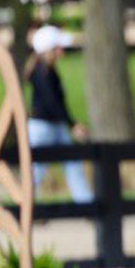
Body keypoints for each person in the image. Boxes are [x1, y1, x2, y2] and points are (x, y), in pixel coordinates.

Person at [26, 24, 93, 204]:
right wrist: (72, 125)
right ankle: (28, 206)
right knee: (37, 169)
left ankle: (85, 203)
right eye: (58, 48)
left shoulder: (49, 71)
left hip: (54, 124)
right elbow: (52, 103)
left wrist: (69, 123)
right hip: (42, 127)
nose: (62, 51)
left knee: (72, 163)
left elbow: (58, 103)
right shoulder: (41, 72)